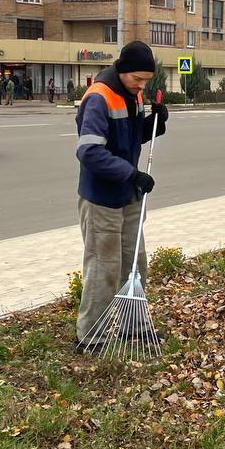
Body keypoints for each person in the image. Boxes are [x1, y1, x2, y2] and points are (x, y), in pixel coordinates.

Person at [75, 41, 169, 348]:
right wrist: (132, 174)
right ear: (123, 70)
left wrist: (154, 123)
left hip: (129, 194)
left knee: (135, 262)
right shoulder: (99, 97)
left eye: (146, 81)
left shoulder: (133, 93)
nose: (141, 85)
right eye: (137, 79)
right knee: (105, 265)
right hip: (102, 196)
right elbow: (89, 151)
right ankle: (91, 335)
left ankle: (133, 326)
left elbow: (127, 138)